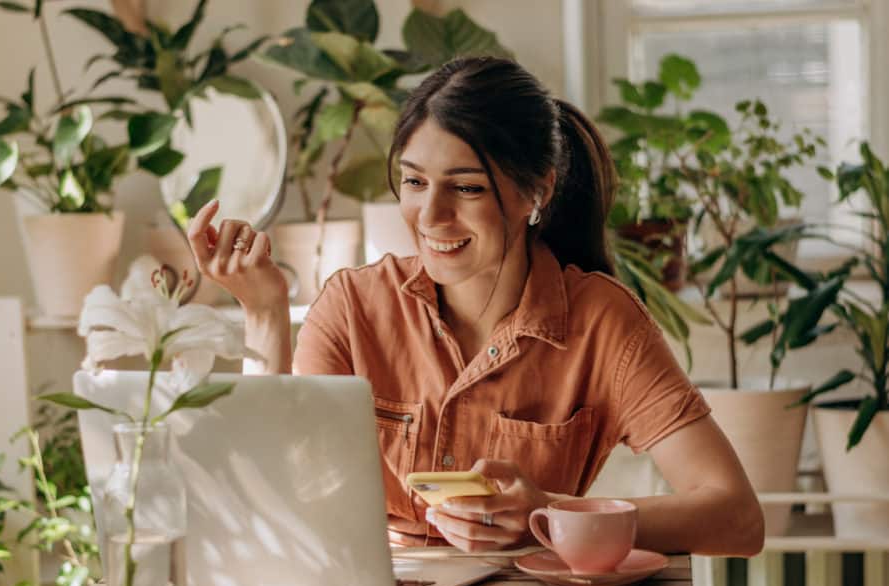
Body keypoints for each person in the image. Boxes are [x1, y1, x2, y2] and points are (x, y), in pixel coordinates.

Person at [186, 57, 764, 557]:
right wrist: (263, 313)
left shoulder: (603, 322)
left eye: (466, 188)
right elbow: (268, 496)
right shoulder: (352, 307)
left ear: (536, 191)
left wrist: (547, 514)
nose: (431, 216)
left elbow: (735, 517)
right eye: (414, 182)